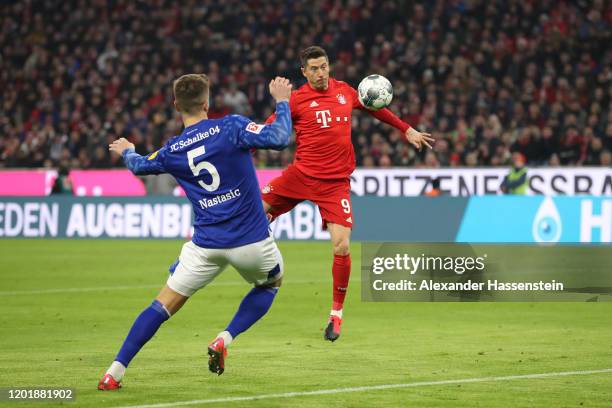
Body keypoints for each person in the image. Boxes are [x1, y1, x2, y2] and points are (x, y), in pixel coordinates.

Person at [98, 74, 293, 390]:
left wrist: (127, 150)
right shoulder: (231, 127)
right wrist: (282, 100)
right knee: (271, 283)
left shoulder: (172, 150)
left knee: (161, 305)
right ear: (207, 103)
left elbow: (139, 166)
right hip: (251, 242)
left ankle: (113, 372)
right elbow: (281, 136)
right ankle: (224, 338)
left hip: (205, 246)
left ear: (176, 105)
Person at [262, 46, 434, 342]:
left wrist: (405, 129)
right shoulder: (296, 100)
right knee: (254, 212)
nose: (320, 72)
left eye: (324, 66)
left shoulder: (346, 91)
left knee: (342, 247)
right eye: (314, 68)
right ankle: (205, 250)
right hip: (300, 176)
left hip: (335, 184)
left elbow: (375, 108)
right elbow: (266, 130)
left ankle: (336, 316)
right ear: (304, 72)